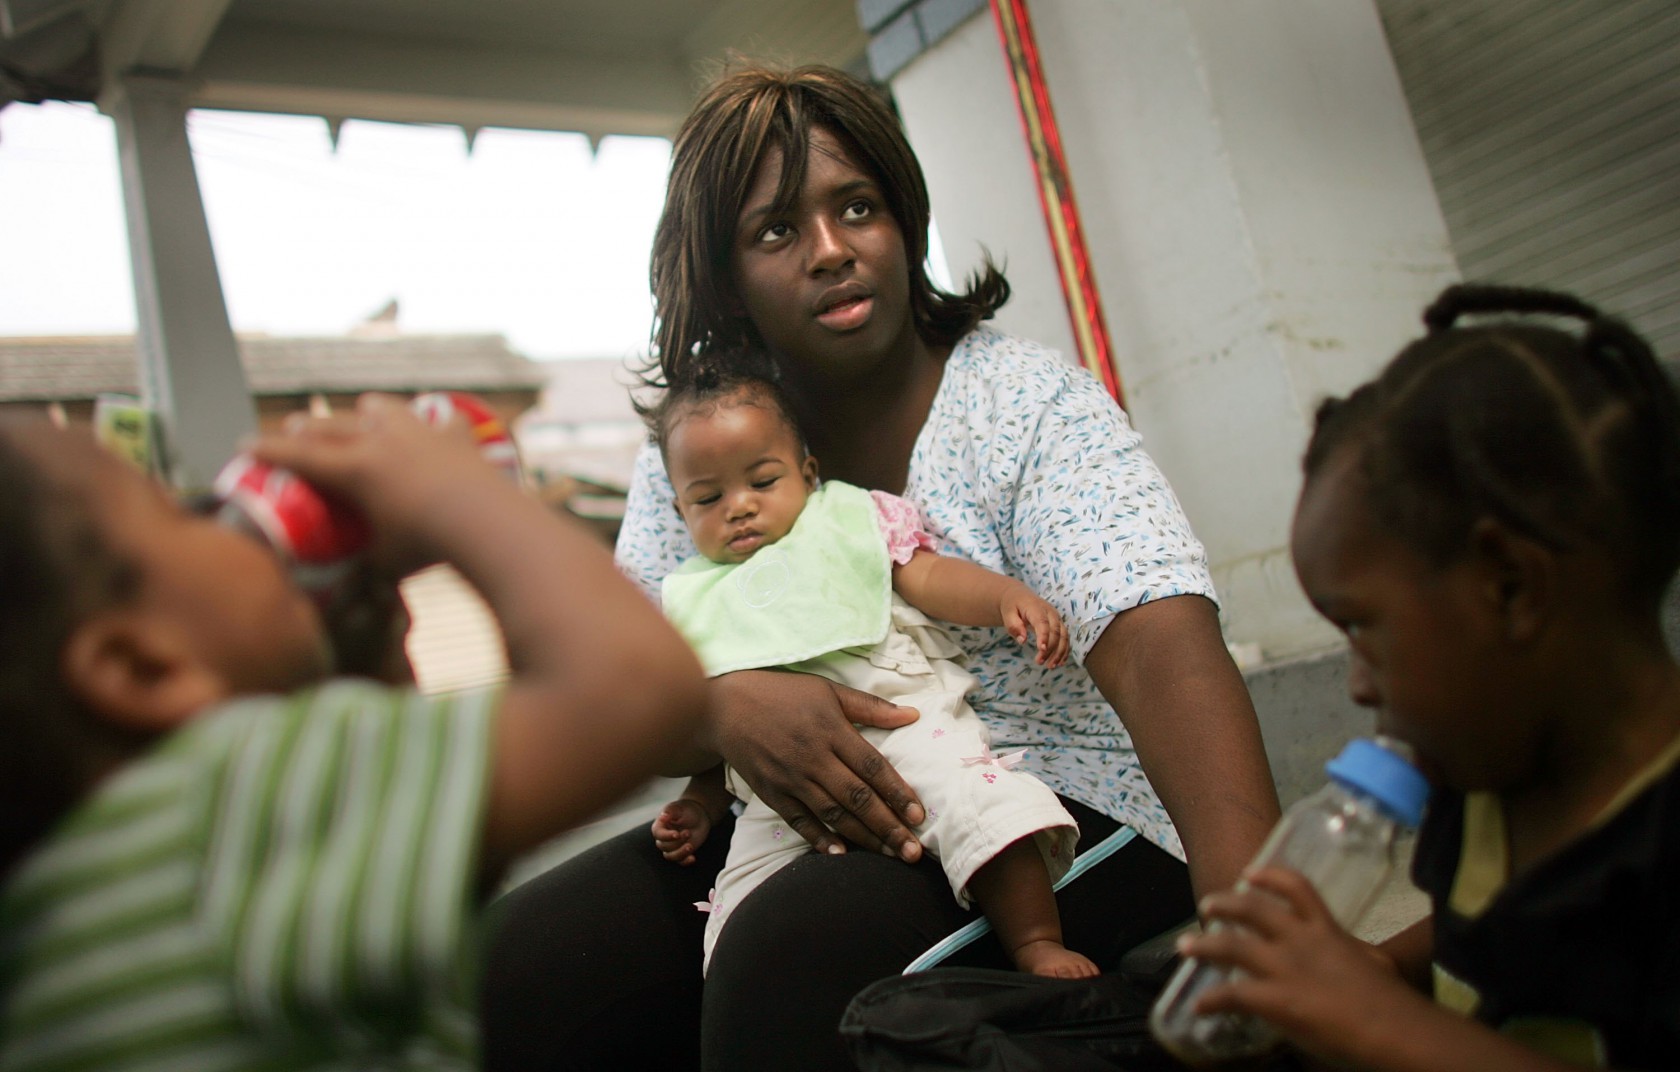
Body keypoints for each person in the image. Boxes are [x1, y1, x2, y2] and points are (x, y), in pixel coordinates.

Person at [481, 63, 1281, 1072]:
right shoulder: (698, 453)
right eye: (777, 230)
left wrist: (1257, 925)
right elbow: (621, 684)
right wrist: (728, 708)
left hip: (1055, 819)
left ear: (902, 217)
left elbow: (1160, 644)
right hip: (789, 821)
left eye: (856, 207)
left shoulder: (1023, 401)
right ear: (724, 275)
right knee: (524, 964)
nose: (831, 250)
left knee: (790, 960)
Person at [0, 396, 707, 1070]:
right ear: (140, 667)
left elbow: (442, 845)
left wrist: (369, 645)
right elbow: (636, 689)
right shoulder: (228, 807)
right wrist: (453, 497)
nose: (227, 515)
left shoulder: (71, 912)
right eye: (188, 511)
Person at [1179, 284, 1680, 1070]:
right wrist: (1385, 969)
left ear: (1511, 587)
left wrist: (1379, 1021)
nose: (1359, 686)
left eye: (1362, 629)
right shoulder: (1488, 775)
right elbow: (1491, 929)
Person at [646, 360, 1095, 979]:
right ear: (679, 510)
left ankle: (1037, 942)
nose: (740, 507)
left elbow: (929, 575)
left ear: (806, 473)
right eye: (708, 497)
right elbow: (717, 738)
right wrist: (700, 805)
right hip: (783, 796)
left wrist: (1002, 599)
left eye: (763, 480)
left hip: (909, 730)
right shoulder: (694, 597)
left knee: (985, 804)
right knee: (739, 915)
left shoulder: (850, 522)